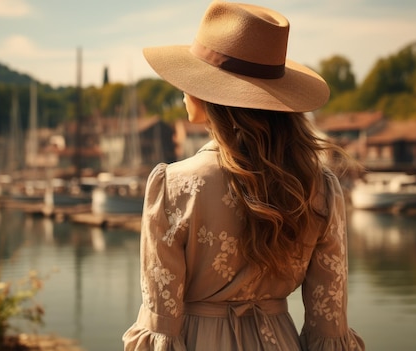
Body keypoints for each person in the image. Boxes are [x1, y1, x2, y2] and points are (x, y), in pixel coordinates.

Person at [123, 1, 365, 350]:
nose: (182, 90)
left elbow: (161, 323)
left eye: (190, 78)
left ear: (211, 93)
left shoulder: (173, 187)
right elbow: (329, 326)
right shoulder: (318, 187)